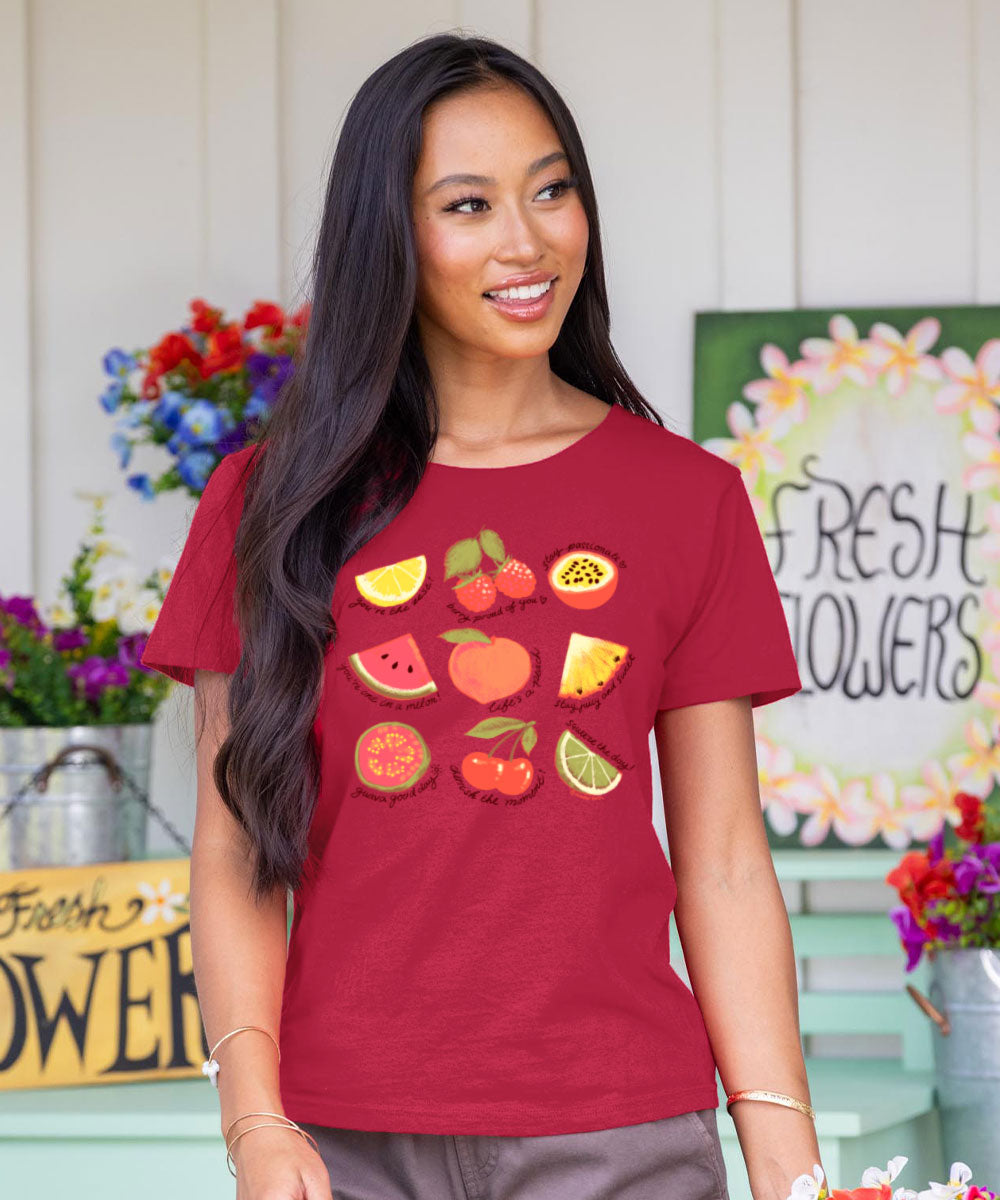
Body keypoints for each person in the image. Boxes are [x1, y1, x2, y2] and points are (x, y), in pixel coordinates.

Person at [140, 31, 823, 1200]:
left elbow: (721, 862)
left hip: (621, 1135)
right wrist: (254, 1124)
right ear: (389, 239)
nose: (527, 240)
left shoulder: (685, 499)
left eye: (552, 189)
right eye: (468, 205)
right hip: (340, 1143)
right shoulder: (269, 505)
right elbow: (236, 850)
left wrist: (788, 1156)